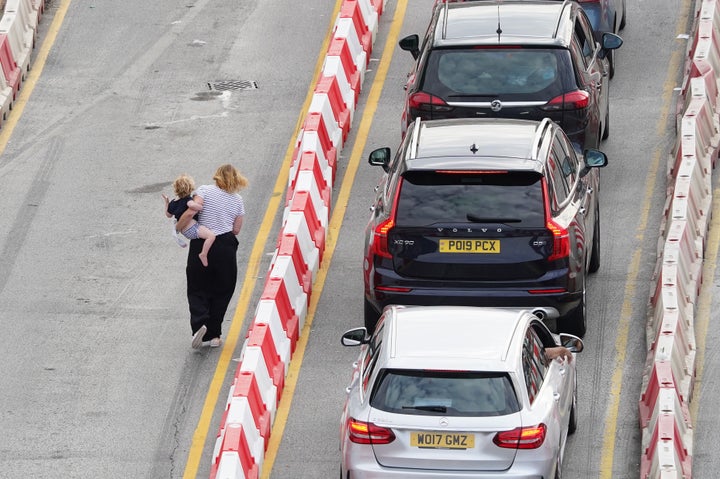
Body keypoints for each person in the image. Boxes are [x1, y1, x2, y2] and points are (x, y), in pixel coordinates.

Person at [176, 164, 248, 349]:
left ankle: (199, 326)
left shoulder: (205, 191)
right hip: (225, 246)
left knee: (197, 286)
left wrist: (178, 227)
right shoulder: (238, 200)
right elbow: (236, 230)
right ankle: (214, 335)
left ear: (217, 177)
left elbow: (192, 211)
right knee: (223, 288)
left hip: (202, 242)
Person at [162, 174, 216, 267]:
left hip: (185, 231)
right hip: (193, 229)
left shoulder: (173, 202)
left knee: (206, 231)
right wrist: (201, 207)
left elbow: (168, 215)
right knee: (211, 236)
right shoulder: (188, 200)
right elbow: (192, 206)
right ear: (190, 188)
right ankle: (203, 254)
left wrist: (167, 203)